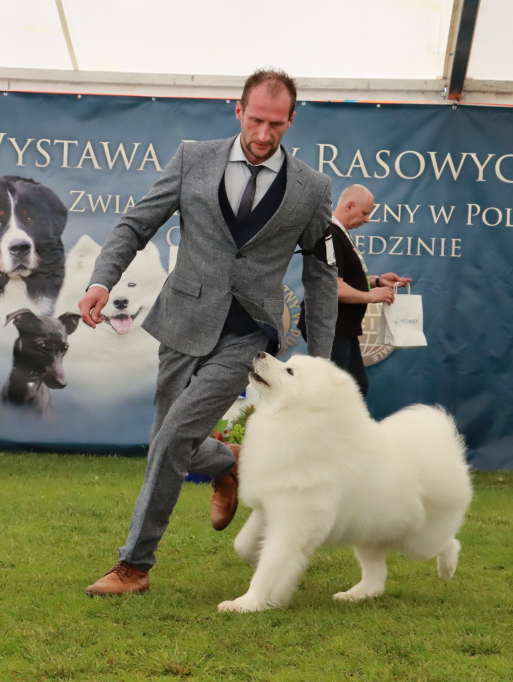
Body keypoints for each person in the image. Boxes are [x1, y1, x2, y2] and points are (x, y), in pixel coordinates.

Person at [79, 68, 339, 596]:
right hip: (183, 319)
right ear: (237, 109)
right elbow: (136, 224)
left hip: (249, 331)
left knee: (174, 437)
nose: (264, 135)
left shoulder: (312, 189)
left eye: (277, 124)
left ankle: (134, 566)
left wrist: (323, 356)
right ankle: (227, 463)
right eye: (257, 120)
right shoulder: (192, 158)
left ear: (292, 119)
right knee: (168, 443)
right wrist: (102, 281)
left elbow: (322, 269)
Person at [324, 184, 410, 396]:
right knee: (339, 392)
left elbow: (347, 280)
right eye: (365, 213)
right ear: (350, 206)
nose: (368, 219)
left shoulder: (341, 234)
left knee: (356, 388)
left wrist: (378, 281)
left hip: (344, 327)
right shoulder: (331, 235)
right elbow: (333, 288)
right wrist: (371, 296)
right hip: (331, 327)